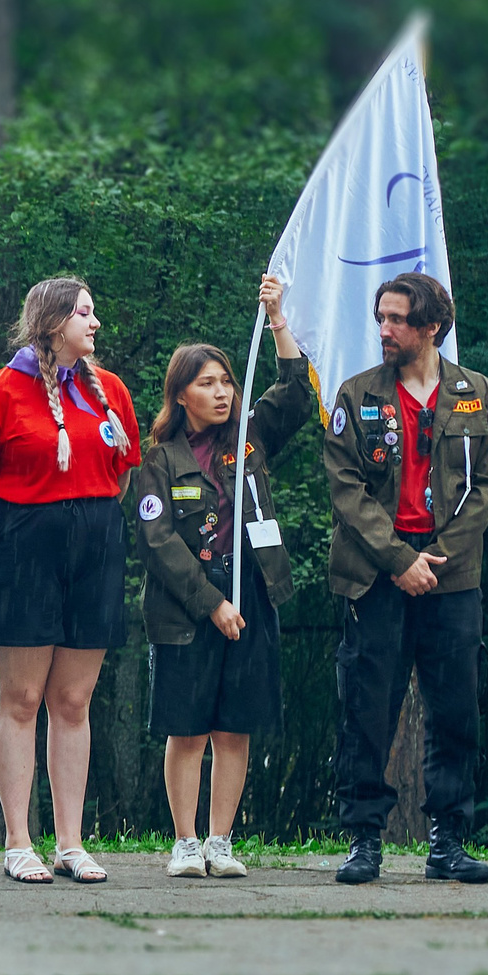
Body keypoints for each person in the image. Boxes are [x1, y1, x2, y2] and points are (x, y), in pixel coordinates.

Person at [0, 277, 140, 885]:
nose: (95, 323)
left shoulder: (110, 390)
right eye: (85, 312)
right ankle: (17, 841)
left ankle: (70, 843)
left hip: (96, 547)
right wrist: (9, 535)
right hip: (23, 548)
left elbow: (123, 474)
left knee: (74, 700)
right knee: (23, 698)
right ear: (55, 322)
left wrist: (89, 526)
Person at [324, 271, 488, 886]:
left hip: (451, 578)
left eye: (397, 319)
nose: (385, 329)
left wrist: (438, 557)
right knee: (366, 708)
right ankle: (363, 840)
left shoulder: (476, 392)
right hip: (377, 576)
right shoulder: (356, 394)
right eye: (381, 317)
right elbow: (345, 489)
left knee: (455, 710)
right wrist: (400, 559)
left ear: (431, 327)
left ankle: (448, 843)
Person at [131, 276, 314, 880]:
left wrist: (278, 318)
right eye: (207, 383)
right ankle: (185, 842)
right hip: (188, 605)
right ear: (180, 394)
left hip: (252, 591)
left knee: (235, 726)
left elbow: (297, 394)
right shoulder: (159, 460)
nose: (221, 393)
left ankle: (220, 841)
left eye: (227, 382)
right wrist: (211, 603)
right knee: (187, 728)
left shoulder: (249, 438)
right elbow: (158, 543)